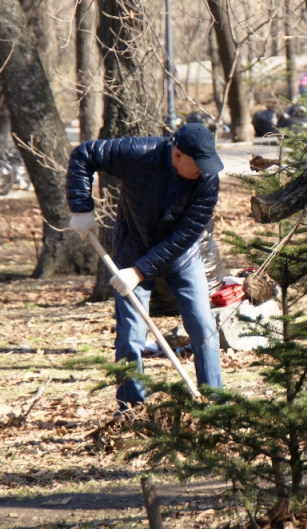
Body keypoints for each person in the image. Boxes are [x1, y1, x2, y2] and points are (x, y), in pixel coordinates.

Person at [66, 123, 224, 409]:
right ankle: (131, 409)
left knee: (204, 327)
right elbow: (83, 154)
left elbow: (184, 236)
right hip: (131, 249)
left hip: (181, 257)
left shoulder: (208, 181)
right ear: (177, 155)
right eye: (197, 164)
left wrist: (138, 273)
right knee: (131, 336)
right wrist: (81, 206)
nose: (203, 169)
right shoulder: (139, 153)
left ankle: (214, 406)